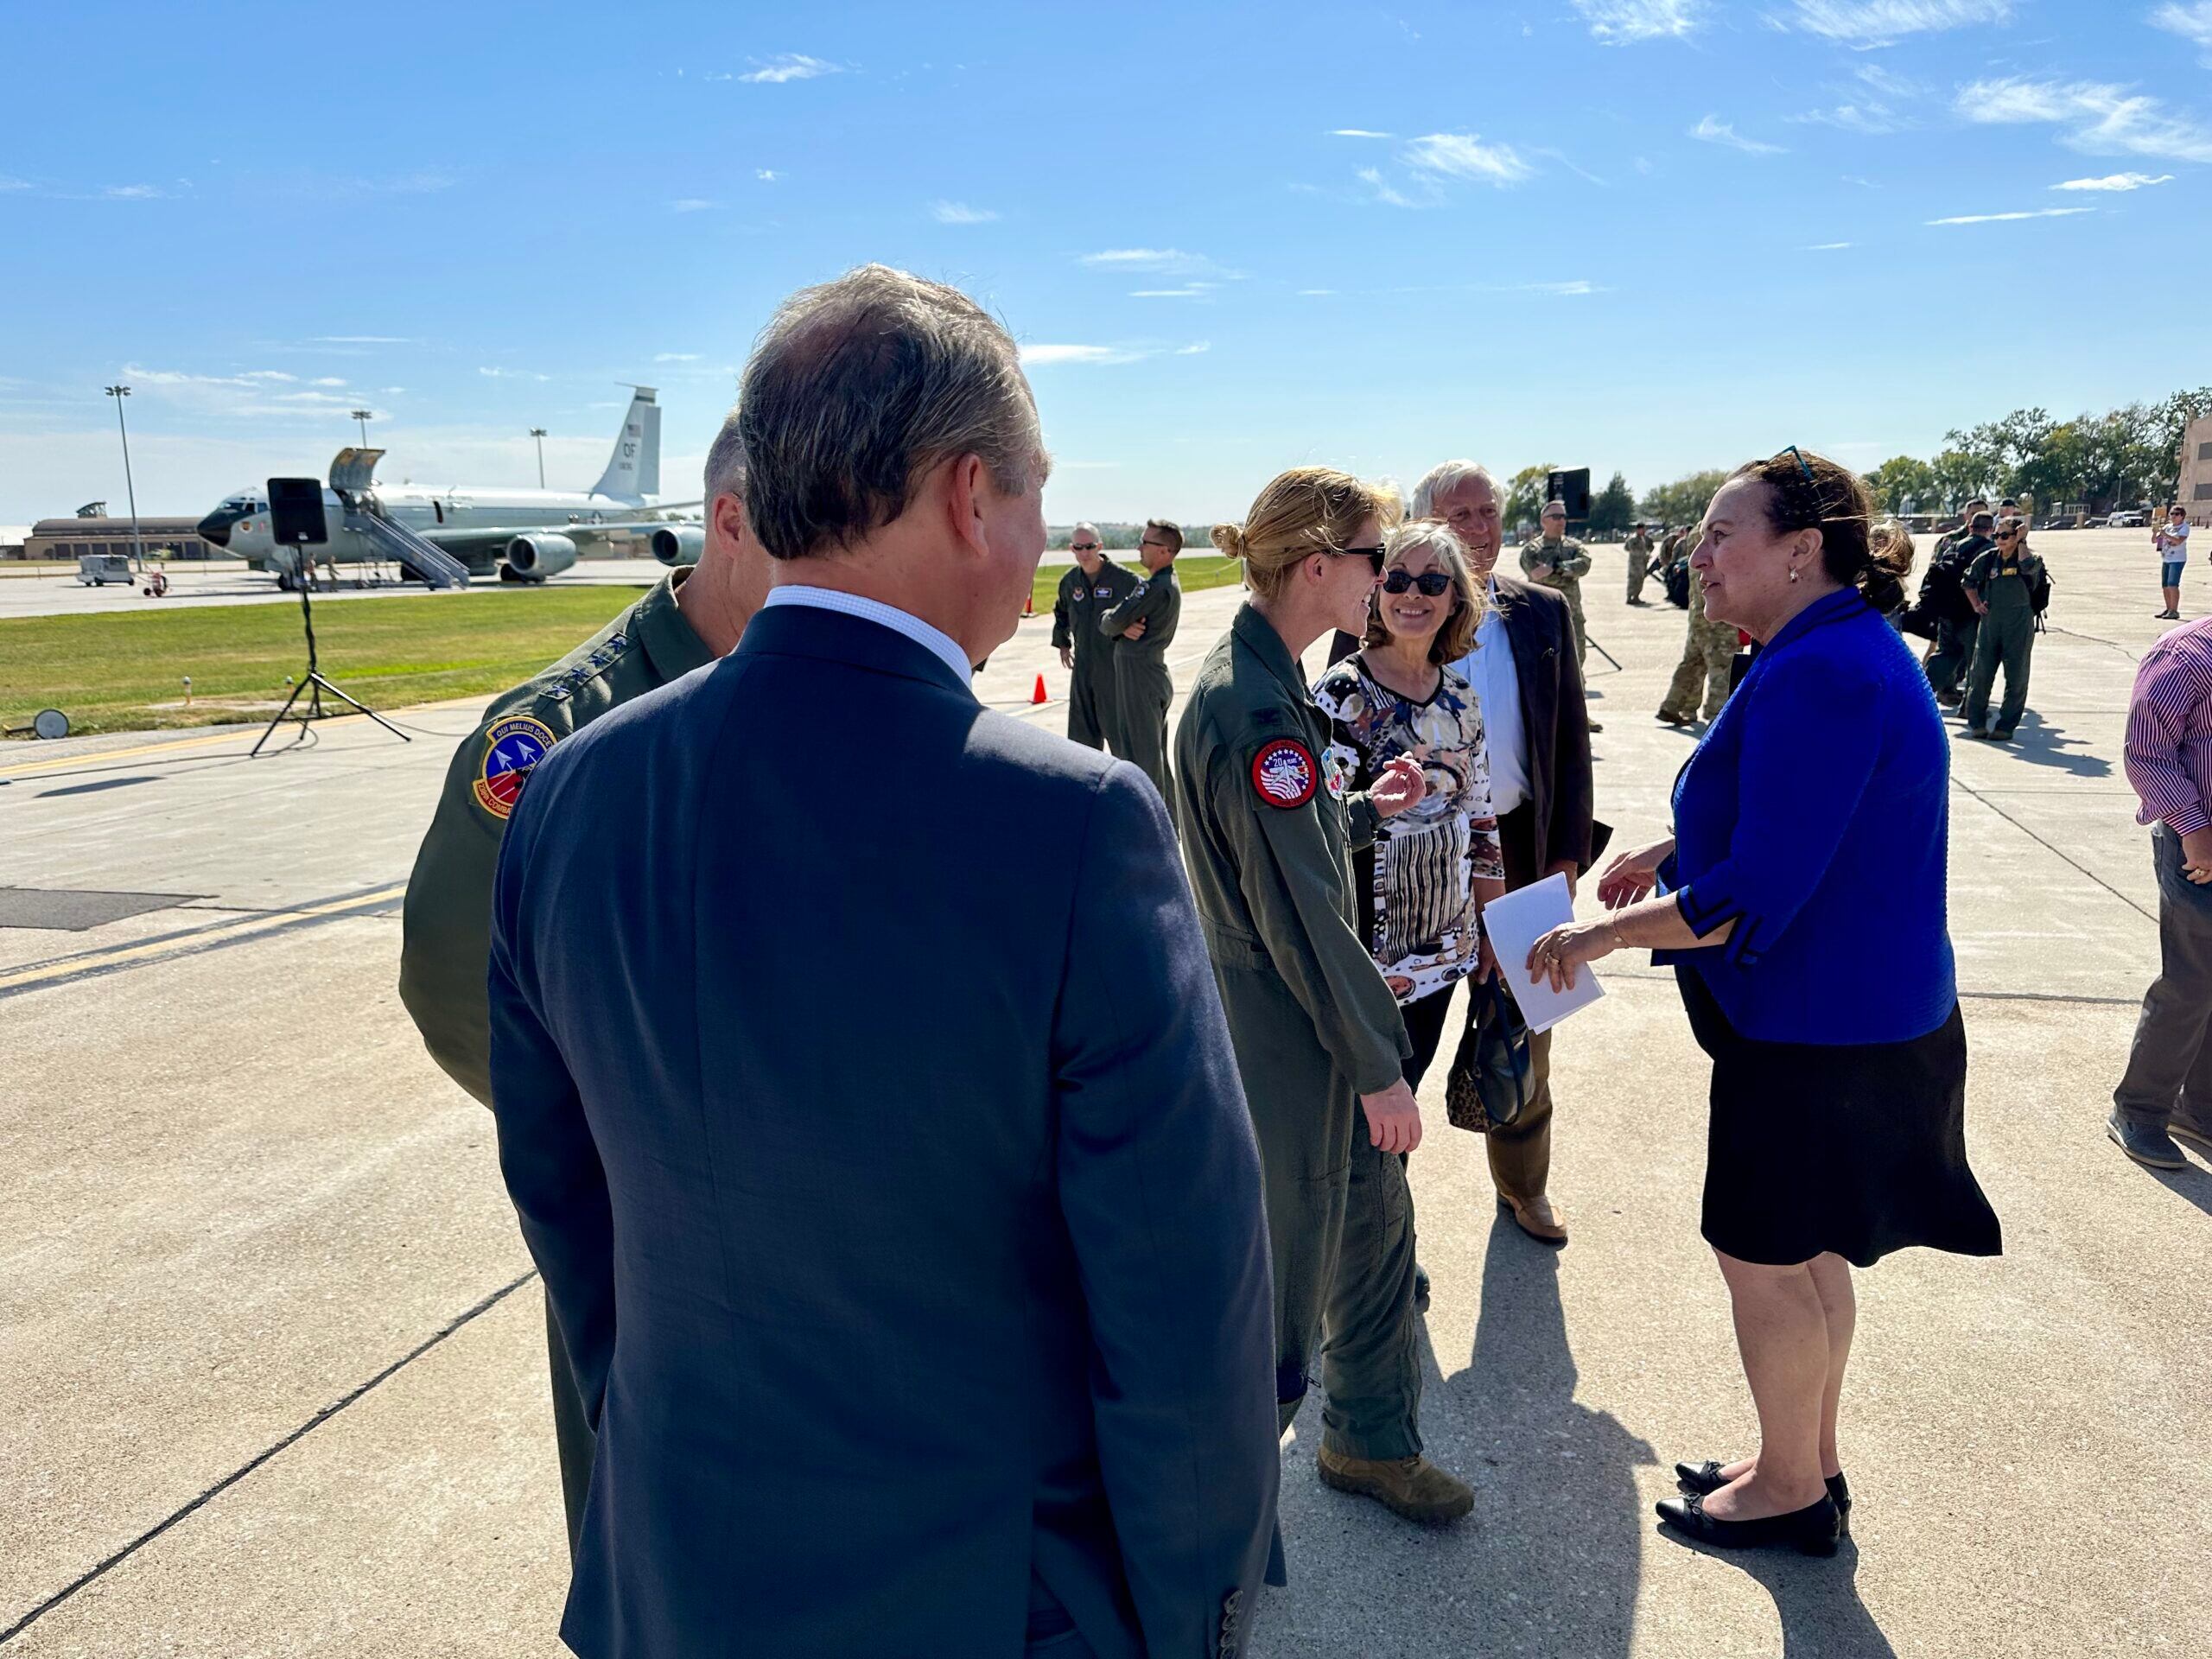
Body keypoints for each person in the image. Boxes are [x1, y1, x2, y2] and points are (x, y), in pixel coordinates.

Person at [488, 265, 1280, 1659]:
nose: (1040, 541)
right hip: (980, 1596)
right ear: (971, 496)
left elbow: (564, 1196)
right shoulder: (1075, 822)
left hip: (676, 1569)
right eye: (1034, 494)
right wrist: (1194, 1609)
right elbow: (1179, 1296)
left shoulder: (576, 785)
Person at [1528, 448, 2000, 1556]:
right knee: (1808, 1256)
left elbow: (1750, 900)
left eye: (1722, 532)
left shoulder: (1821, 671)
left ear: (1801, 549)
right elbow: (1805, 820)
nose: (1699, 553)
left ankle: (1789, 1489)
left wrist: (1598, 932)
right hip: (1858, 1022)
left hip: (1817, 1036)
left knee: (1766, 1259)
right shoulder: (1833, 650)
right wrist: (1672, 844)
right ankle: (1806, 1459)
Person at [397, 414, 769, 1556]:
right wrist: (627, 1145)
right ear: (733, 523)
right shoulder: (565, 731)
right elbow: (455, 980)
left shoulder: (790, 695)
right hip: (653, 1244)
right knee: (659, 1547)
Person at [1173, 466, 1476, 1529]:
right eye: (1373, 562)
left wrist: (1352, 805)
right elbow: (1299, 916)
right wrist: (1378, 1067)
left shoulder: (1268, 680)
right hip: (1295, 1040)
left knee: (1374, 1234)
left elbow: (1285, 848)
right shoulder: (1251, 703)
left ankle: (1369, 1443)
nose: (1385, 582)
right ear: (1316, 566)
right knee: (1283, 1288)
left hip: (1307, 1026)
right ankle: (1214, 1520)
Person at [1422, 460, 1608, 1244]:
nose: (1478, 529)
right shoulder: (1387, 609)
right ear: (1427, 524)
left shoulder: (1542, 612)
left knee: (1530, 1031)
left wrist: (1565, 862)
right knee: (1404, 1036)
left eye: (1488, 511)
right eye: (1458, 515)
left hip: (1526, 851)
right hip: (1424, 857)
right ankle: (1379, 1211)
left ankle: (1524, 1188)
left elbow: (1569, 745)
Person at [1312, 520, 1507, 1085]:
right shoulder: (1342, 693)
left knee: (1406, 1103)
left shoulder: (1463, 699)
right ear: (1374, 591)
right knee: (1362, 1120)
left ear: (1456, 598)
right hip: (1363, 959)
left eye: (1431, 582)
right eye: (1396, 579)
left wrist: (1492, 927)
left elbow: (1483, 820)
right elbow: (1318, 826)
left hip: (1443, 953)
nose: (1412, 594)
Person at [2111, 616, 2212, 1168]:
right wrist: (2195, 831)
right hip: (2198, 844)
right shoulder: (2188, 654)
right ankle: (2140, 1110)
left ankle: (2199, 1110)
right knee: (2193, 981)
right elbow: (2146, 752)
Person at [1099, 518, 1183, 808]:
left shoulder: (1155, 588)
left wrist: (1115, 623)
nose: (1139, 547)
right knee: (1154, 756)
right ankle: (1170, 823)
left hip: (1140, 676)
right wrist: (1117, 624)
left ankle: (1151, 829)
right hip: (1147, 674)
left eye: (1145, 542)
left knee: (1141, 758)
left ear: (1165, 551)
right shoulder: (1161, 584)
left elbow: (1112, 622)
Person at [1049, 522, 1139, 752]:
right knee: (1081, 735)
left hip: (1114, 665)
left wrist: (1129, 629)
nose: (1084, 553)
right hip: (1083, 665)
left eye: (1089, 547)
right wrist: (1063, 643)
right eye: (1079, 548)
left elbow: (1146, 610)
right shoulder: (1070, 582)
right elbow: (1061, 612)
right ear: (1072, 549)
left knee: (1119, 732)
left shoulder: (1125, 580)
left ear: (1099, 546)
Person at [1961, 516, 2046, 742]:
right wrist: (1976, 605)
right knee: (1981, 674)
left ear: (2017, 535)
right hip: (1991, 625)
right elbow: (1968, 581)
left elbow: (2028, 568)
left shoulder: (2030, 558)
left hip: (2019, 624)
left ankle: (2006, 725)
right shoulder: (1989, 559)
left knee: (2016, 677)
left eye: (2005, 535)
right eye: (1997, 535)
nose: (1999, 540)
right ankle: (1977, 722)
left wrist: (2022, 542)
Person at [1656, 542, 1737, 729]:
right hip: (1718, 619)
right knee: (1722, 667)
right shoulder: (1719, 532)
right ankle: (1718, 716)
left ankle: (1674, 705)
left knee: (1693, 663)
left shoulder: (1697, 534)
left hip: (1698, 614)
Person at [1922, 511, 1996, 706]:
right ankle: (1970, 707)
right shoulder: (1990, 551)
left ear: (1970, 527)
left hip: (1947, 611)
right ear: (1991, 529)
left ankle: (1921, 691)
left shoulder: (1953, 547)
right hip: (1973, 613)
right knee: (1976, 662)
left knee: (1946, 654)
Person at [1521, 499, 1592, 674]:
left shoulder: (1575, 546)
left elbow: (1584, 565)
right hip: (1542, 617)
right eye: (1556, 516)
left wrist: (1554, 568)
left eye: (1564, 516)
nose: (1562, 521)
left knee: (1576, 661)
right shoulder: (1532, 549)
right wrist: (1568, 573)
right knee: (1544, 667)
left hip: (1572, 616)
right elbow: (1535, 573)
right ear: (1543, 520)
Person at [2155, 505, 2191, 620]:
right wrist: (2155, 532)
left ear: (2182, 516)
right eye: (2172, 514)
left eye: (2177, 514)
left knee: (2173, 584)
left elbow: (2179, 541)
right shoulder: (2167, 526)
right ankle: (2168, 608)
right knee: (2165, 585)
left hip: (2177, 559)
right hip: (2166, 558)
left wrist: (2165, 535)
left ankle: (2174, 610)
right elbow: (2155, 540)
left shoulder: (2184, 527)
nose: (2173, 516)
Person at [1624, 521, 1654, 605]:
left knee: (1640, 580)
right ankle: (1630, 597)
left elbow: (1650, 546)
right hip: (1634, 564)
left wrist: (1647, 554)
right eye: (1643, 529)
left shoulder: (1643, 538)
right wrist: (1644, 554)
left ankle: (1636, 597)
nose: (1644, 531)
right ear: (1638, 529)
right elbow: (1630, 549)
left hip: (1642, 563)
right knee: (1633, 580)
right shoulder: (1633, 539)